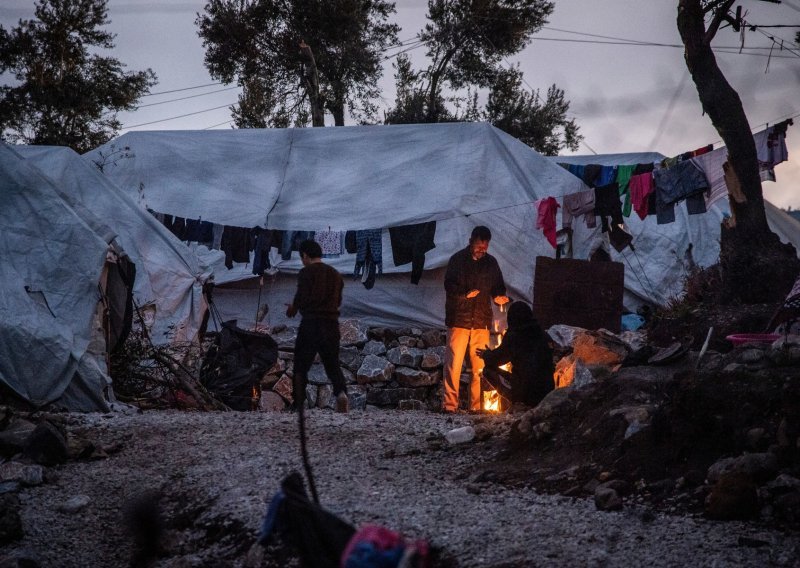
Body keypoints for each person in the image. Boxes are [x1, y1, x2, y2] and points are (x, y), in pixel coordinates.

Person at [442, 226, 509, 413]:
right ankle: (449, 406)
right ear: (471, 241)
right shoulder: (457, 260)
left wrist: (499, 297)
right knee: (453, 365)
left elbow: (498, 287)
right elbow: (448, 285)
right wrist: (465, 295)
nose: (482, 250)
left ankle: (476, 406)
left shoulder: (491, 263)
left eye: (485, 247)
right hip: (458, 319)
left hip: (481, 320)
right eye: (479, 246)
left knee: (479, 366)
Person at [286, 239, 349, 413]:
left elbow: (302, 297)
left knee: (301, 364)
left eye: (302, 258)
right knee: (332, 363)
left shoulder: (306, 273)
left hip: (311, 324)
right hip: (331, 324)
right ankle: (341, 393)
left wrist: (293, 308)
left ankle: (298, 403)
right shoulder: (336, 274)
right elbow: (338, 301)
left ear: (305, 255)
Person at [477, 301, 555, 409]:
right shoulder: (543, 334)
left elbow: (498, 359)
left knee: (488, 370)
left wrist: (486, 354)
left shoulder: (515, 335)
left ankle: (518, 402)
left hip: (525, 392)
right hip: (546, 392)